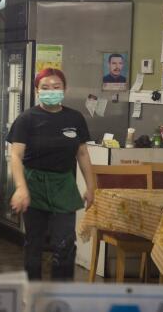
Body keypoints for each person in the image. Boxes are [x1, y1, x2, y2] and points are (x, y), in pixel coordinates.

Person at [7, 68, 97, 282]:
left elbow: (82, 153)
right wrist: (21, 188)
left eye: (56, 87)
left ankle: (62, 291)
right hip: (34, 183)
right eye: (45, 87)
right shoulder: (27, 118)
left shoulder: (75, 118)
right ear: (37, 91)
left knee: (65, 242)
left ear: (65, 90)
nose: (51, 91)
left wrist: (91, 186)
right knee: (34, 242)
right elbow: (16, 155)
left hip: (63, 184)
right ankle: (33, 289)